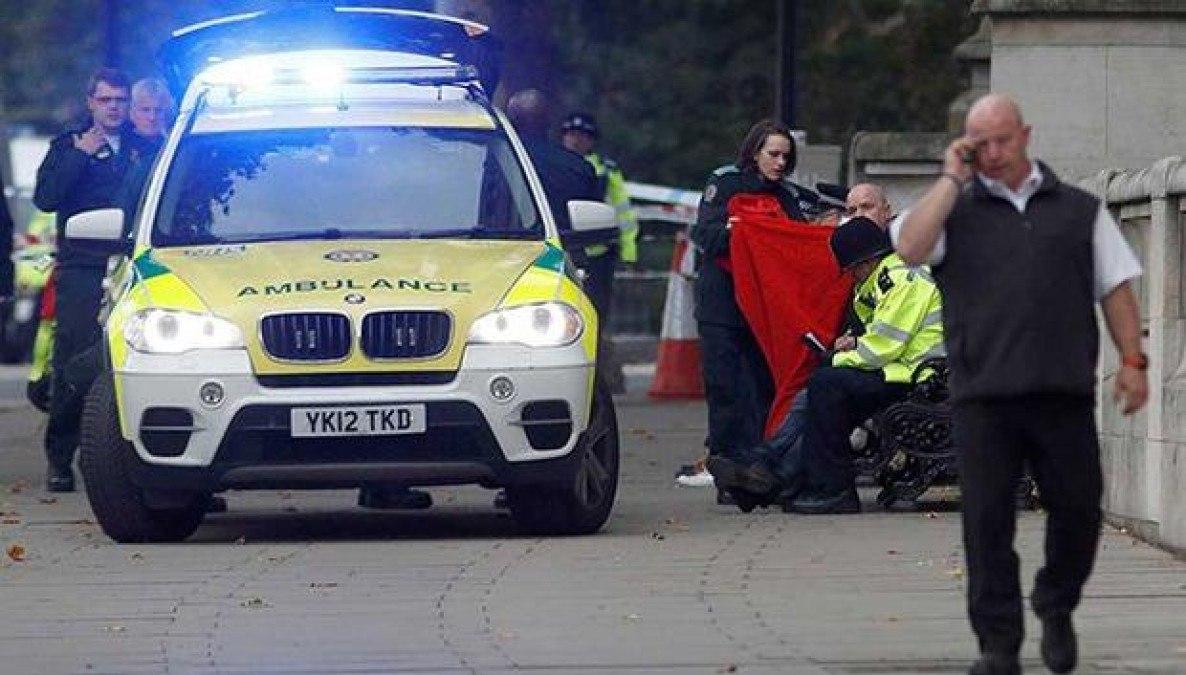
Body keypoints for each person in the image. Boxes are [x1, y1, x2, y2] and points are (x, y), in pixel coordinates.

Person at [894, 93, 1147, 675]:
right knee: (986, 524)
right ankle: (998, 645)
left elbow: (1116, 288)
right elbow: (908, 247)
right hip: (983, 396)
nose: (993, 152)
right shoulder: (953, 211)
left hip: (1062, 392)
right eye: (980, 143)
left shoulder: (1078, 210)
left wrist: (1134, 362)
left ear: (1025, 135)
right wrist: (950, 180)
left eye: (1002, 140)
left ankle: (1056, 604)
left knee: (1078, 510)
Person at [709, 216, 944, 514]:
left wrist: (836, 357)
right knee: (818, 390)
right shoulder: (885, 280)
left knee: (826, 384)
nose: (852, 278)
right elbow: (880, 338)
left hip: (919, 377)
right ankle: (768, 473)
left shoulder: (903, 280)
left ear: (866, 262)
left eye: (851, 271)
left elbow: (884, 346)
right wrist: (850, 346)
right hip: (902, 370)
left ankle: (830, 488)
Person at [33, 67, 156, 493]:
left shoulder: (146, 147)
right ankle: (60, 458)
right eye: (105, 100)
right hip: (83, 269)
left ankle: (140, 459)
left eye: (120, 100)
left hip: (135, 268)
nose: (114, 108)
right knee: (73, 362)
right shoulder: (69, 146)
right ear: (91, 103)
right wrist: (80, 156)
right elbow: (46, 197)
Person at [687, 119, 802, 500]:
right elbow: (705, 235)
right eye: (774, 154)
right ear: (755, 152)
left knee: (761, 390)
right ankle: (726, 470)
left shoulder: (786, 197)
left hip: (764, 309)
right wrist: (744, 233)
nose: (780, 163)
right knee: (724, 389)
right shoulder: (725, 184)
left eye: (786, 156)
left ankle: (756, 470)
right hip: (722, 303)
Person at [560, 112, 639, 393]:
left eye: (582, 135)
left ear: (591, 140)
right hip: (564, 250)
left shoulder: (605, 170)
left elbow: (623, 212)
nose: (575, 140)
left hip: (598, 255)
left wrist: (629, 252)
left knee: (596, 315)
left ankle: (600, 378)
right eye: (571, 134)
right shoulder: (556, 163)